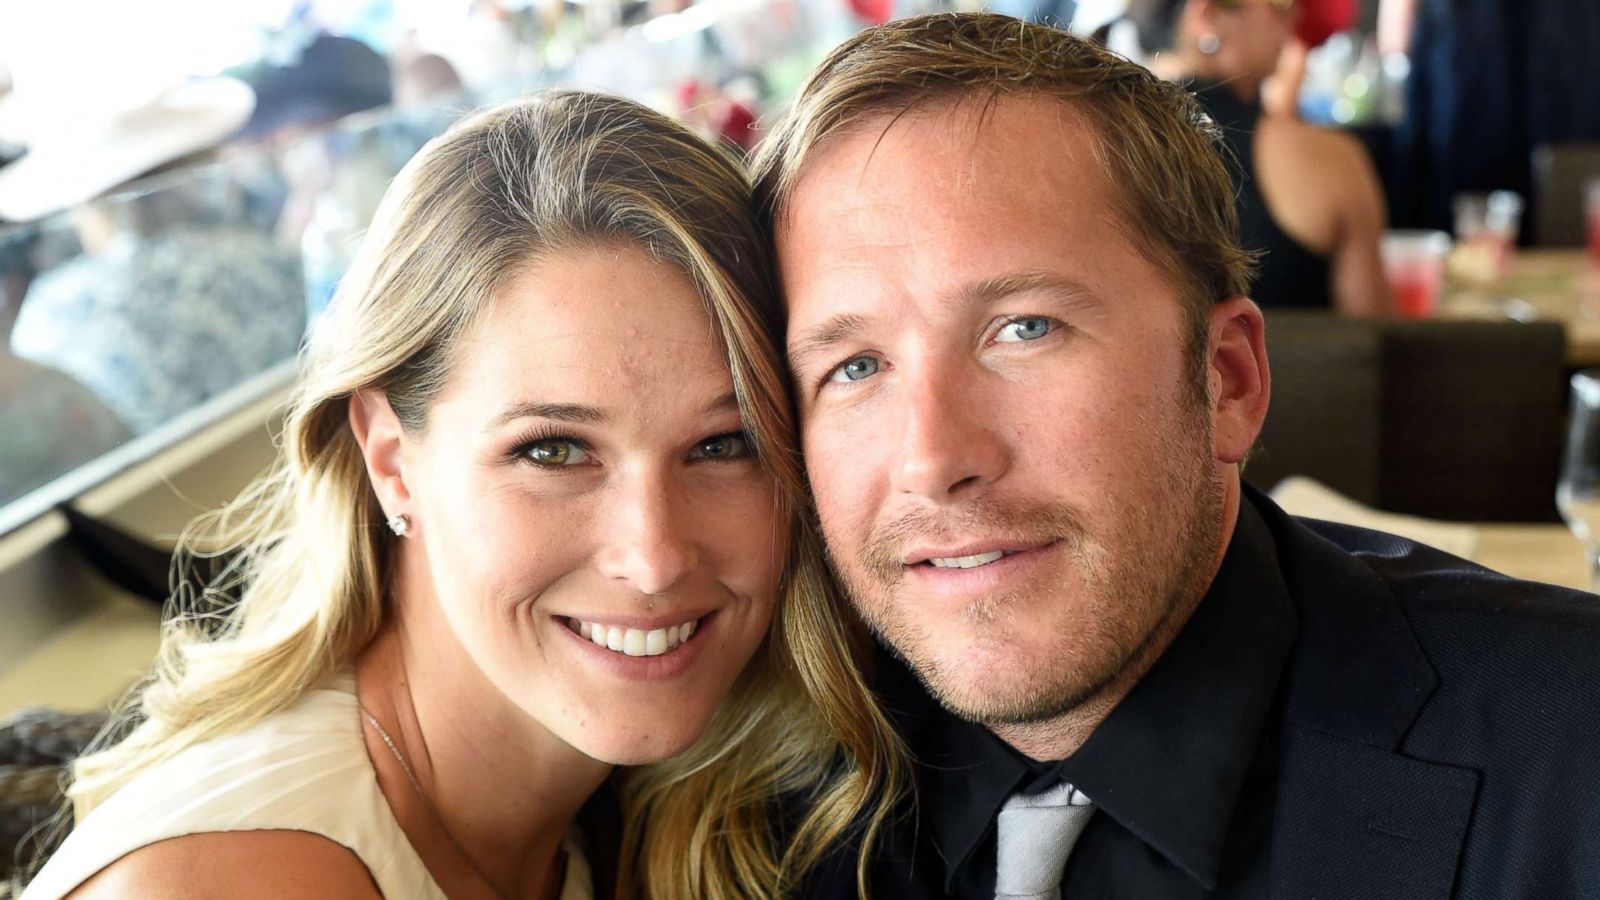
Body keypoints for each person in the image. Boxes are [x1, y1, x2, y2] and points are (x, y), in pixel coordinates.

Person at [753, 13, 1600, 897]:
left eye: (1025, 328)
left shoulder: (1571, 764)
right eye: (854, 366)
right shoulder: (728, 802)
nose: (932, 458)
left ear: (1226, 380)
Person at [16, 90, 891, 900]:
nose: (654, 554)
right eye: (553, 450)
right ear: (392, 461)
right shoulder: (240, 878)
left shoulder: (645, 806)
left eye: (722, 444)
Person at [1150, 0, 1393, 315]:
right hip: (1293, 365)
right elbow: (1375, 340)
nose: (1295, 16)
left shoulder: (1111, 141)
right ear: (1208, 15)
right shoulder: (1329, 160)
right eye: (1279, 4)